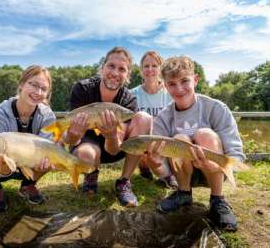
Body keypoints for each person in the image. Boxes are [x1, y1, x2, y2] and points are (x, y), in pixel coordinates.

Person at [144, 56, 245, 231]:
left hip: (215, 170)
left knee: (204, 134)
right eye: (172, 84)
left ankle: (217, 199)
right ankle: (183, 194)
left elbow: (236, 154)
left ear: (195, 80)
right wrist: (155, 165)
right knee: (180, 139)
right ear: (165, 86)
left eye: (184, 81)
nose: (179, 88)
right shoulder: (162, 118)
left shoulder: (216, 108)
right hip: (181, 174)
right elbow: (164, 171)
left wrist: (216, 166)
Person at [63, 47, 152, 207]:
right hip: (87, 144)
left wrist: (111, 135)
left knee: (144, 118)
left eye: (122, 69)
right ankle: (91, 173)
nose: (115, 73)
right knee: (85, 155)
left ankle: (124, 182)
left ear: (127, 75)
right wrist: (73, 134)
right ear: (102, 67)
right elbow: (71, 139)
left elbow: (113, 150)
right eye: (111, 66)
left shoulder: (128, 99)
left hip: (115, 145)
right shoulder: (82, 88)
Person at [0, 65, 56, 213]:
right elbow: (1, 166)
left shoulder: (48, 116)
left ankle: (28, 185)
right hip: (2, 165)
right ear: (22, 84)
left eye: (43, 89)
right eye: (33, 85)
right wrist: (4, 168)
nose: (38, 92)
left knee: (53, 150)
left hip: (32, 164)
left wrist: (46, 163)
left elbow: (46, 150)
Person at [130, 51, 176, 187]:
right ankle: (143, 166)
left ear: (160, 69)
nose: (150, 69)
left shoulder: (170, 93)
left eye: (154, 66)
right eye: (146, 66)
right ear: (141, 69)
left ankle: (170, 172)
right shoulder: (132, 94)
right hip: (143, 139)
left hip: (165, 139)